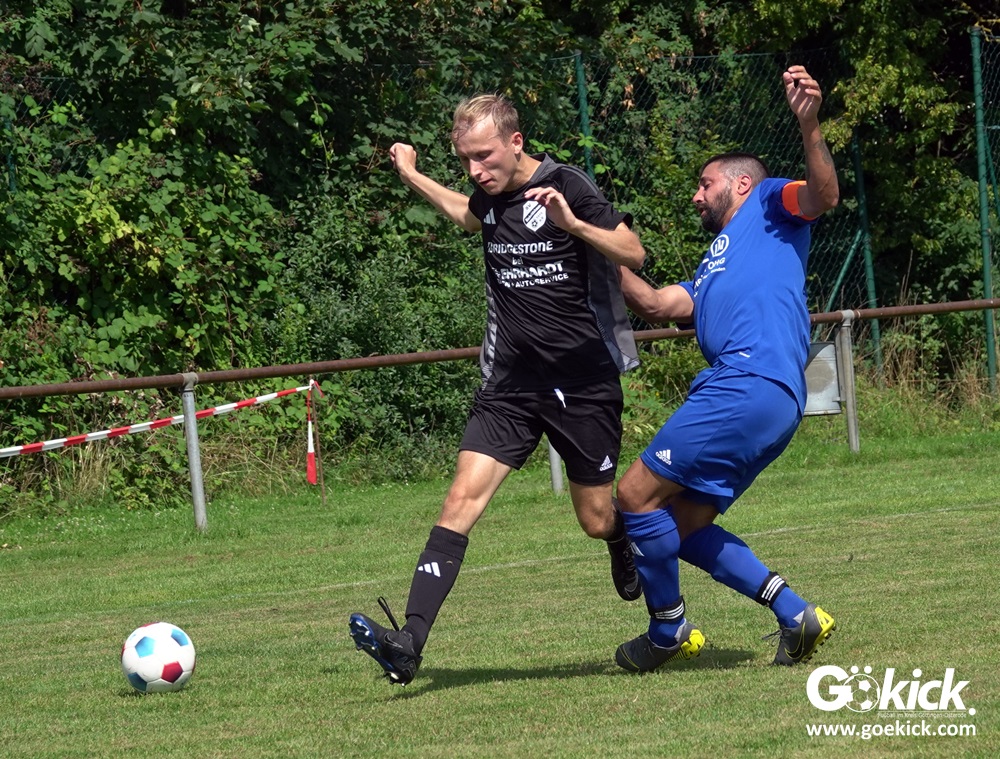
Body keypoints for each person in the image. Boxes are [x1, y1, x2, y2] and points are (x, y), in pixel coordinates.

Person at [349, 93, 646, 685]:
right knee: (460, 501)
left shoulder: (567, 185)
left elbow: (633, 251)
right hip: (509, 384)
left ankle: (620, 540)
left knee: (594, 519)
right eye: (465, 159)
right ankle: (409, 642)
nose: (475, 170)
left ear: (516, 142)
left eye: (484, 156)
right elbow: (468, 214)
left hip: (582, 383)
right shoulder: (487, 196)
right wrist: (411, 175)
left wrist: (573, 224)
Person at [613, 65, 841, 673]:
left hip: (746, 381)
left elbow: (823, 197)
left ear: (741, 184)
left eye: (704, 183)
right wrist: (598, 249)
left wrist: (810, 124)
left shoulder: (769, 202)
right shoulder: (713, 262)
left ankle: (667, 631)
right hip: (770, 397)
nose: (696, 194)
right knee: (681, 527)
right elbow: (656, 304)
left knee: (634, 495)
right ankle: (797, 614)